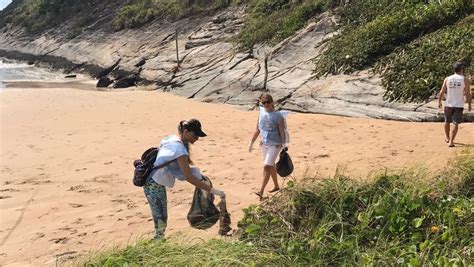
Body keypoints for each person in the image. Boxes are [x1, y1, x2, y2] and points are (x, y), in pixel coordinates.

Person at [143, 118, 225, 240]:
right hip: (154, 183)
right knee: (161, 218)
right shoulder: (180, 150)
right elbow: (189, 177)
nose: (197, 138)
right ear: (186, 131)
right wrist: (212, 191)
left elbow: (178, 168)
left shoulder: (171, 139)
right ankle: (157, 242)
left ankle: (158, 240)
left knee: (159, 216)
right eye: (195, 134)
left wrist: (198, 176)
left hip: (151, 179)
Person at [248, 93, 289, 200]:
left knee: (266, 166)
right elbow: (257, 129)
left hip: (275, 144)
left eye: (267, 102)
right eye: (263, 102)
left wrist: (284, 145)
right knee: (271, 166)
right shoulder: (261, 113)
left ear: (272, 102)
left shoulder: (278, 116)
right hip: (264, 144)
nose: (266, 104)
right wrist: (251, 143)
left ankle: (261, 191)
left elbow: (282, 131)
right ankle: (276, 186)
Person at [438, 61, 472, 147]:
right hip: (458, 104)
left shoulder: (448, 78)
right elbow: (467, 93)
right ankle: (451, 141)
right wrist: (469, 104)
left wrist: (439, 101)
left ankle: (447, 137)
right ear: (462, 69)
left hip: (448, 103)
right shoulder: (465, 79)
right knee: (455, 123)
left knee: (447, 121)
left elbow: (442, 91)